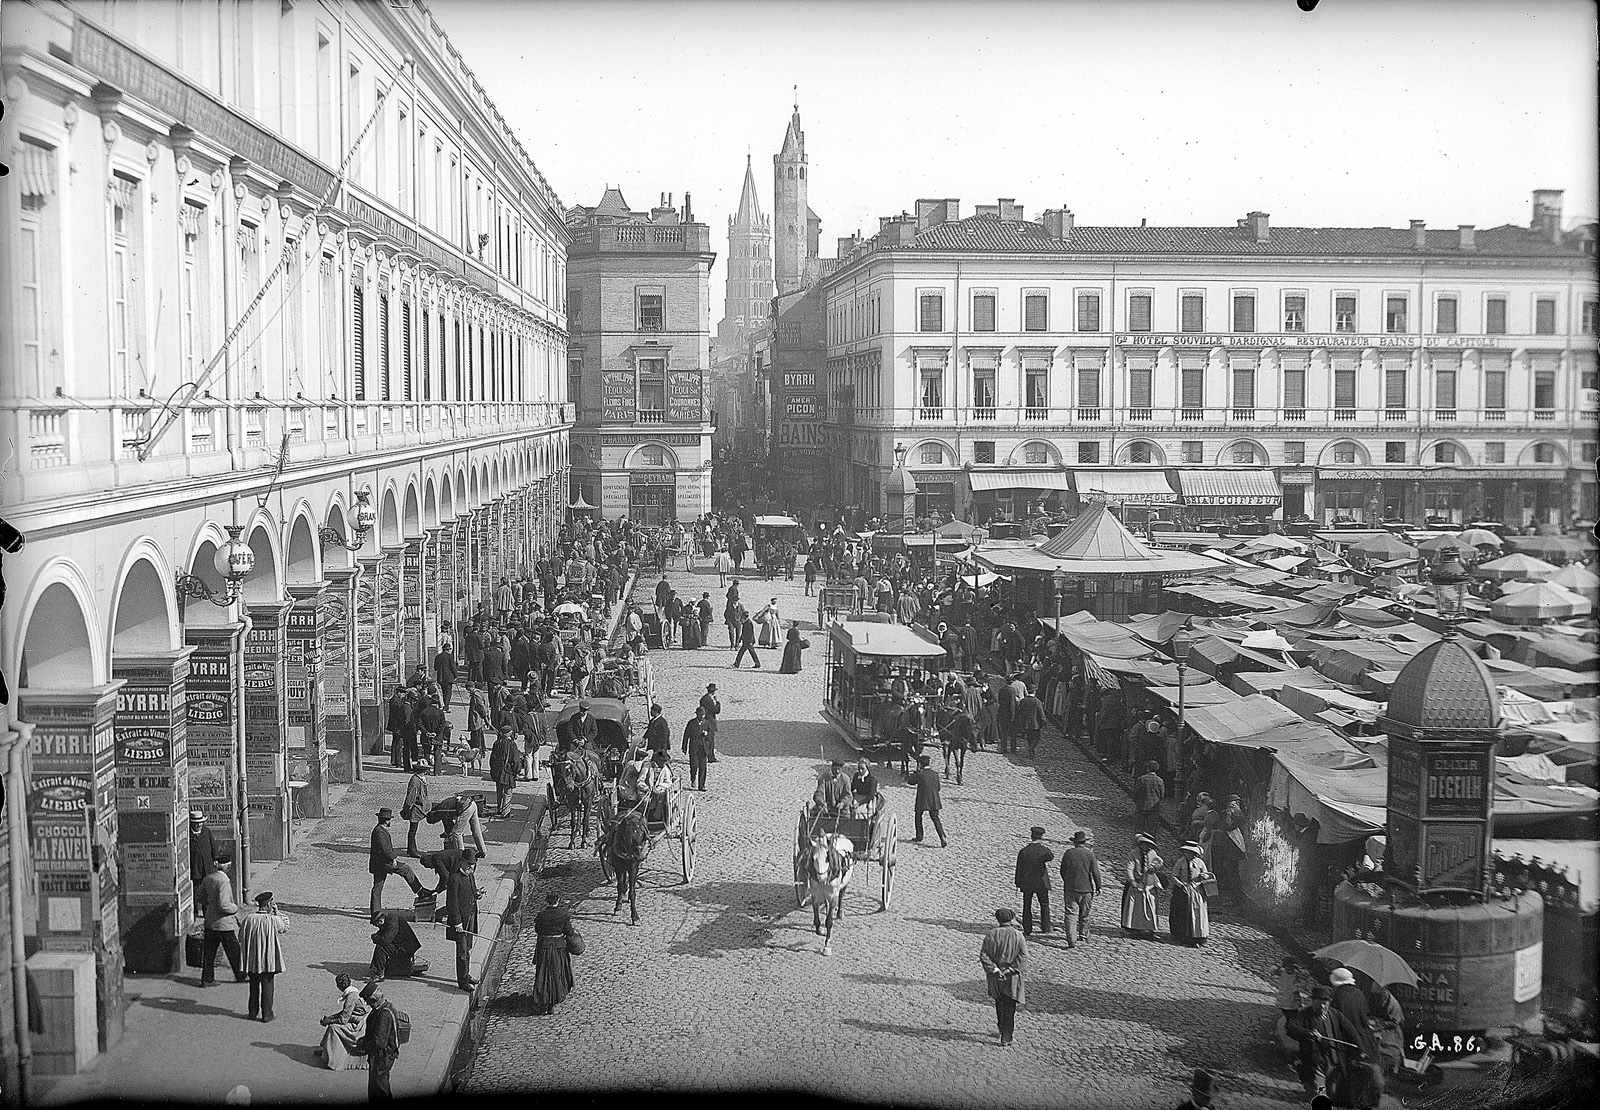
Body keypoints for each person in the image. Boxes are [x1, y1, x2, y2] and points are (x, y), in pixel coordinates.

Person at [1287, 986, 1367, 1101]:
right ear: (1313, 1001)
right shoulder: (1304, 1014)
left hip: (1334, 1059)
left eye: (1325, 1004)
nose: (1322, 1007)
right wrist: (1308, 1033)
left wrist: (1361, 1049)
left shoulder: (1335, 1014)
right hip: (1315, 1060)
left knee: (1333, 1091)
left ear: (1329, 1003)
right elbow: (1290, 1027)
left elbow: (1351, 1031)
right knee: (1319, 1092)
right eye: (1319, 1003)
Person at [237, 891, 289, 1022]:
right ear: (269, 904)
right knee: (267, 985)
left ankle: (252, 1012)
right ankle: (267, 1014)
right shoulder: (272, 920)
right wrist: (277, 912)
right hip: (267, 960)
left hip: (253, 959)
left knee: (253, 985)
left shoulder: (249, 919)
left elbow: (241, 937)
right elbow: (284, 926)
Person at [531, 891, 585, 1015]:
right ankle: (553, 1002)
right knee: (557, 973)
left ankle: (542, 1000)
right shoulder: (563, 914)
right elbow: (569, 932)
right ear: (558, 900)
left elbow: (537, 930)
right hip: (559, 948)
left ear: (547, 901)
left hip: (544, 948)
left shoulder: (541, 915)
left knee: (543, 974)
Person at [978, 907, 1027, 1046]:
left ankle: (1001, 1027)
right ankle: (1007, 1036)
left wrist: (994, 969)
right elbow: (1023, 956)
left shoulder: (991, 934)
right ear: (1011, 919)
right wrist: (1011, 969)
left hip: (996, 976)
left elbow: (984, 955)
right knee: (1010, 1005)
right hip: (1012, 976)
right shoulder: (1018, 935)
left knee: (999, 1002)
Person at [369, 808, 429, 917]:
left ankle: (375, 912)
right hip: (384, 863)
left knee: (377, 887)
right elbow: (386, 851)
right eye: (389, 820)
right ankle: (420, 891)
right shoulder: (380, 833)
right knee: (406, 869)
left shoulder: (378, 830)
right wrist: (393, 859)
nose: (390, 822)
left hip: (378, 864)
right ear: (386, 820)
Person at [196, 850, 244, 985]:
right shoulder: (224, 881)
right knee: (234, 951)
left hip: (210, 922)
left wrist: (210, 905)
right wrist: (235, 908)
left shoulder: (209, 878)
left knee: (209, 954)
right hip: (223, 924)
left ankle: (206, 979)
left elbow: (199, 897)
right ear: (227, 867)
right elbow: (224, 905)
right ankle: (241, 975)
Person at [442, 846, 481, 992]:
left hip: (471, 916)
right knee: (462, 952)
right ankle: (462, 982)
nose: (471, 867)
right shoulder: (454, 879)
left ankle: (466, 974)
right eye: (469, 864)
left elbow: (472, 890)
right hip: (460, 921)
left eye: (473, 865)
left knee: (468, 948)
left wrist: (477, 894)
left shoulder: (470, 875)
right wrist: (457, 922)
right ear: (462, 862)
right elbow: (451, 903)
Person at [316, 972, 370, 1071]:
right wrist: (331, 1017)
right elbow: (345, 1013)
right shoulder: (354, 992)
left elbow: (343, 1020)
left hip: (358, 1026)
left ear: (340, 986)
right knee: (332, 1025)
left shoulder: (350, 998)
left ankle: (332, 1059)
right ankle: (326, 1051)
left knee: (333, 1028)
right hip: (358, 1020)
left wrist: (329, 1021)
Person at [357, 980, 400, 1100]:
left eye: (369, 1002)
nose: (368, 1004)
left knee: (380, 1088)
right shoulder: (383, 1008)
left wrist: (364, 1045)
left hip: (382, 1056)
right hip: (381, 1055)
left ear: (373, 999)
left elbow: (379, 1042)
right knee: (376, 1086)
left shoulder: (384, 1014)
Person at [1059, 829, 1101, 946]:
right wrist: (1099, 886)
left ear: (1074, 842)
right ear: (1084, 842)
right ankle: (1082, 935)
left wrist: (1068, 881)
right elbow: (1095, 872)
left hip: (1071, 888)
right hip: (1086, 889)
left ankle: (1071, 940)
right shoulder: (1090, 854)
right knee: (1085, 914)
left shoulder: (1068, 853)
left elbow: (1062, 871)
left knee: (1070, 914)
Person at [1169, 840, 1212, 946]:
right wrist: (1181, 885)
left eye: (1192, 853)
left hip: (1197, 890)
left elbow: (1206, 874)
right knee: (1183, 912)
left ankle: (1199, 935)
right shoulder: (1180, 862)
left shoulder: (1200, 863)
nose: (1190, 855)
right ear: (1185, 852)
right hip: (1183, 890)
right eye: (1188, 853)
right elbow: (1173, 876)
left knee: (1198, 913)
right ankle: (1184, 936)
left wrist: (1204, 876)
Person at [1121, 833, 1164, 938]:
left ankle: (1148, 928)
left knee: (1150, 905)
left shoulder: (1153, 853)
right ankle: (1133, 927)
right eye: (1144, 844)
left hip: (1148, 884)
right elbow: (1130, 867)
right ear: (1140, 844)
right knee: (1134, 905)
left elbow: (1160, 862)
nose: (1146, 847)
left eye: (1148, 845)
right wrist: (1132, 880)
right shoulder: (1134, 853)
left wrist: (1154, 868)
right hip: (1136, 882)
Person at [1014, 826, 1054, 936]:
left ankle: (1027, 928)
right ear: (1041, 837)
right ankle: (1046, 927)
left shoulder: (1024, 851)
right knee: (1044, 904)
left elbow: (1019, 868)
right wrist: (1042, 846)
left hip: (1027, 882)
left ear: (1031, 836)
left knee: (1027, 905)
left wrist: (1018, 882)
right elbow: (1051, 856)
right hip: (1041, 882)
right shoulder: (1043, 850)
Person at [368, 907, 428, 981]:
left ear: (380, 921)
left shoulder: (391, 923)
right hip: (404, 945)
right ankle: (376, 968)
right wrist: (377, 936)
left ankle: (379, 974)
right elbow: (384, 933)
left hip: (405, 949)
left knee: (381, 947)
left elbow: (385, 940)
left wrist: (375, 938)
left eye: (376, 925)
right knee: (381, 944)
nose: (377, 927)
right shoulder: (389, 919)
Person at [912, 754, 947, 847]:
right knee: (935, 818)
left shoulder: (920, 774)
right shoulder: (935, 774)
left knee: (918, 816)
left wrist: (914, 773)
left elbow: (910, 781)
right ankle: (942, 836)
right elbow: (938, 788)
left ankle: (919, 836)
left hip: (922, 799)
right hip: (934, 799)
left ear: (920, 764)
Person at [639, 749, 680, 825]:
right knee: (644, 802)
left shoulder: (665, 769)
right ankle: (644, 819)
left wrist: (658, 789)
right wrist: (648, 789)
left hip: (659, 792)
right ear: (656, 761)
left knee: (662, 798)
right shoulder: (647, 767)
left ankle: (656, 818)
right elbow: (640, 782)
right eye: (662, 761)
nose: (664, 763)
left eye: (665, 761)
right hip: (646, 792)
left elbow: (668, 782)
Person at [489, 727, 519, 817]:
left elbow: (492, 759)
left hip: (498, 771)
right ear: (508, 733)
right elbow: (516, 760)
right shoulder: (512, 744)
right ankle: (505, 812)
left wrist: (493, 770)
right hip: (507, 771)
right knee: (507, 792)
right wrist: (516, 771)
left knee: (499, 791)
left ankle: (499, 809)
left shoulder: (497, 743)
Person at [401, 768, 430, 857]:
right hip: (415, 808)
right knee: (413, 830)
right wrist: (406, 808)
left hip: (419, 806)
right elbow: (411, 796)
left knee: (413, 830)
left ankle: (411, 849)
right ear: (423, 771)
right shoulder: (415, 781)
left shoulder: (420, 779)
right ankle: (412, 850)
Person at [1133, 762, 1166, 837]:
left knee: (1139, 829)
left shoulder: (1141, 779)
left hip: (1141, 807)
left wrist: (1137, 802)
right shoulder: (1160, 781)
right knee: (1151, 830)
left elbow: (1136, 792)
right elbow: (1162, 795)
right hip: (1154, 808)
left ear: (1147, 769)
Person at [1013, 683, 1045, 758]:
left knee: (1029, 737)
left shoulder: (1023, 701)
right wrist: (1043, 722)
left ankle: (1031, 749)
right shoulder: (1037, 701)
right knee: (1036, 737)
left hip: (1025, 723)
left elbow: (1019, 711)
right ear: (1034, 692)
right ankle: (1031, 749)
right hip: (1035, 724)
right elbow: (1041, 713)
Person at [683, 706, 711, 791]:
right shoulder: (691, 723)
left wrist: (706, 734)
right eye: (700, 714)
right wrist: (684, 747)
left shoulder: (706, 723)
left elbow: (711, 735)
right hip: (694, 748)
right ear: (697, 714)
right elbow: (686, 735)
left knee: (703, 767)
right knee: (694, 765)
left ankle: (701, 785)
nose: (702, 716)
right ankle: (693, 779)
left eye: (703, 714)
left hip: (703, 748)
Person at [189, 810, 218, 887]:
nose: (199, 825)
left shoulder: (207, 831)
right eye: (196, 823)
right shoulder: (188, 835)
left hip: (208, 866)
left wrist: (215, 858)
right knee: (198, 888)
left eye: (200, 822)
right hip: (196, 868)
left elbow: (213, 845)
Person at [699, 683, 721, 762]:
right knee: (710, 740)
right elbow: (716, 710)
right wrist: (718, 703)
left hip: (707, 721)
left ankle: (709, 756)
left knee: (708, 740)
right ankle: (710, 757)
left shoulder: (704, 698)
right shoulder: (708, 699)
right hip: (709, 721)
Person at [433, 642, 458, 709]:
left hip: (440, 677)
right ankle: (446, 706)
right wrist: (456, 675)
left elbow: (435, 667)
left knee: (444, 691)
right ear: (448, 649)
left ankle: (445, 704)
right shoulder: (450, 656)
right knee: (448, 692)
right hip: (448, 677)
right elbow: (453, 667)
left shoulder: (438, 656)